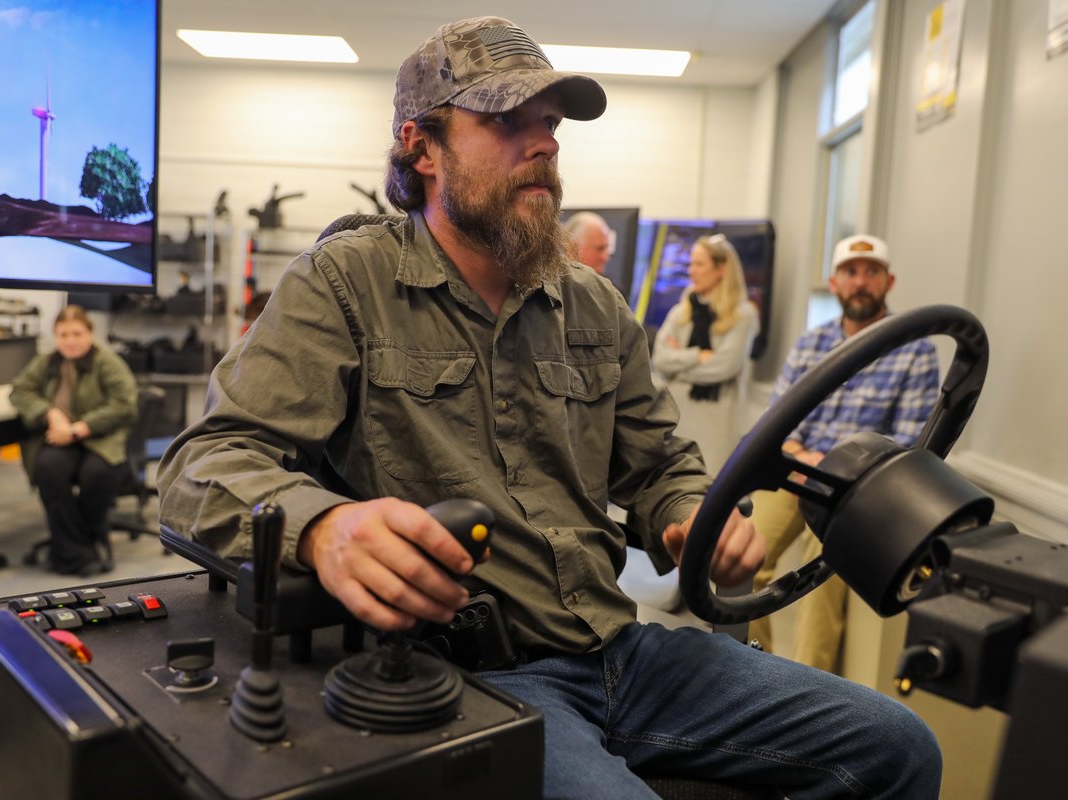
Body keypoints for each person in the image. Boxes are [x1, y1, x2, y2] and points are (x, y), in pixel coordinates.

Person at [158, 17, 940, 799]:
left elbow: (661, 462)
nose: (545, 144)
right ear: (420, 148)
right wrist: (323, 528)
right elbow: (202, 463)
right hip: (479, 673)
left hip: (619, 649)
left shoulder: (592, 303)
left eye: (551, 124)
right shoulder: (345, 284)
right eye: (506, 121)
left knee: (899, 747)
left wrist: (690, 510)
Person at [747, 234, 940, 673]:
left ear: (889, 281)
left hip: (856, 489)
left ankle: (805, 694)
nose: (861, 282)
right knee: (746, 556)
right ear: (834, 283)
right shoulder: (811, 344)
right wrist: (803, 459)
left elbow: (909, 444)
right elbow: (779, 419)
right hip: (799, 471)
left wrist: (834, 470)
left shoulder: (916, 350)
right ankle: (753, 672)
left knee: (816, 579)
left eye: (872, 272)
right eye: (850, 273)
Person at [10, 305, 137, 576]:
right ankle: (79, 551)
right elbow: (20, 390)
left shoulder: (106, 362)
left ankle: (73, 548)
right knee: (48, 468)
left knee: (96, 473)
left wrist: (81, 428)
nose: (70, 340)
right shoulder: (47, 361)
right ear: (55, 336)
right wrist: (49, 412)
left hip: (100, 437)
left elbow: (124, 404)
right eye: (63, 334)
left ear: (90, 333)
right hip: (60, 438)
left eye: (77, 333)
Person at [652, 234, 759, 470]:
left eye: (699, 264)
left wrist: (676, 370)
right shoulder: (680, 313)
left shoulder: (743, 315)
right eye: (691, 263)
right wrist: (696, 356)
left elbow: (724, 367)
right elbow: (660, 360)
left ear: (721, 269)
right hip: (677, 422)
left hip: (717, 430)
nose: (691, 271)